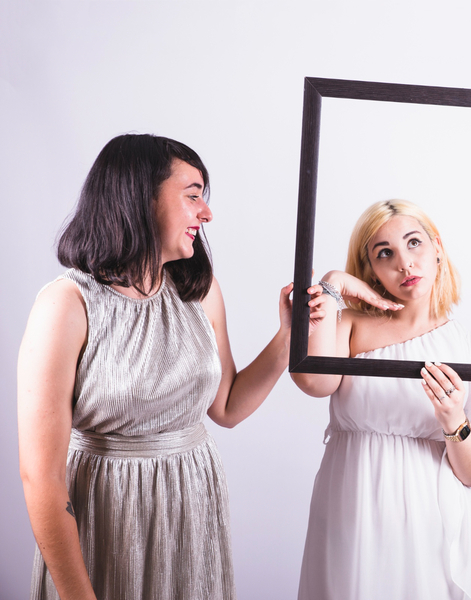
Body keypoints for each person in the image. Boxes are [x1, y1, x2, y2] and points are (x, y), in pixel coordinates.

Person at [17, 134, 316, 600]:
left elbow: (228, 407)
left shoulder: (199, 289)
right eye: (193, 194)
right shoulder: (67, 304)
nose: (207, 213)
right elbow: (42, 478)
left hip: (191, 505)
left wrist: (287, 338)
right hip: (108, 512)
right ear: (139, 196)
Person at [291, 199, 471, 600]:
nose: (404, 263)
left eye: (414, 244)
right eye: (385, 253)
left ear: (437, 248)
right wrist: (332, 284)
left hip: (431, 519)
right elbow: (313, 381)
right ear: (372, 270)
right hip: (352, 504)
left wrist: (453, 419)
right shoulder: (348, 325)